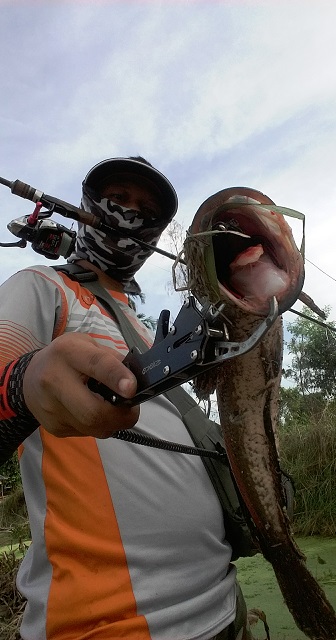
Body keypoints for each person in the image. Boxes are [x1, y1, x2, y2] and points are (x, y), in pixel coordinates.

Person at [0, 156, 252, 640]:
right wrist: (24, 382)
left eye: (146, 210)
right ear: (87, 206)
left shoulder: (141, 325)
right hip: (110, 626)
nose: (129, 215)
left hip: (223, 603)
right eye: (117, 200)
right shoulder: (43, 287)